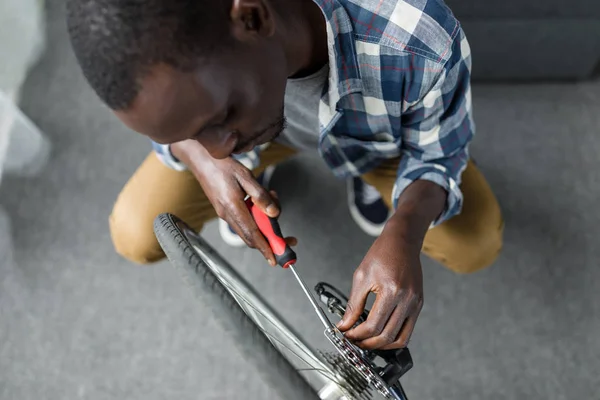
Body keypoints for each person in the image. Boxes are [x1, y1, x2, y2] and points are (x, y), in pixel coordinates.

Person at [66, 0, 503, 351]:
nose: (221, 147)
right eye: (194, 132)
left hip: (378, 142)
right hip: (266, 128)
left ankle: (365, 170)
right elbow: (189, 131)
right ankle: (262, 156)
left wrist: (405, 230)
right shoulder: (182, 87)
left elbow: (438, 154)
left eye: (222, 116)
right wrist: (205, 162)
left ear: (253, 17)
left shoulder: (416, 37)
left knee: (474, 243)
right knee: (137, 233)